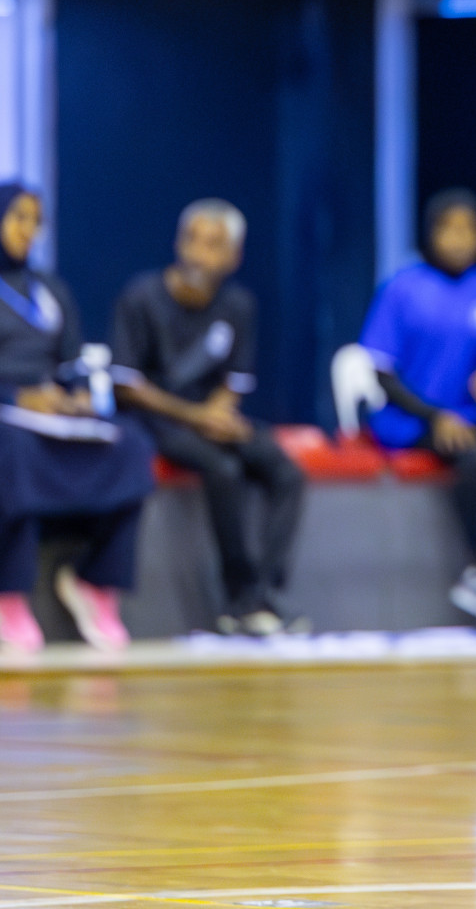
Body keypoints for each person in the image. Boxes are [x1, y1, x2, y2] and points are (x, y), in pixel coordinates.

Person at [113, 199, 308, 637]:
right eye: (192, 241)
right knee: (224, 469)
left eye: (213, 245)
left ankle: (262, 593)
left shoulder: (238, 305)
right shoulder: (141, 296)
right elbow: (126, 385)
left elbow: (235, 380)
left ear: (234, 257)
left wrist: (219, 412)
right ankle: (237, 598)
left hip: (210, 418)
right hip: (155, 418)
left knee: (284, 471)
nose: (199, 255)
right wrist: (197, 416)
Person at [360, 188, 476, 623]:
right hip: (410, 418)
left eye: (470, 229)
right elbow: (381, 372)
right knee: (475, 458)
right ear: (430, 233)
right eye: (449, 229)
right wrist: (434, 417)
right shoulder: (402, 288)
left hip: (467, 417)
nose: (460, 239)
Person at [0, 183, 155, 653]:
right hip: (8, 413)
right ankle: (9, 595)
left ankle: (96, 581)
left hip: (51, 412)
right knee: (12, 450)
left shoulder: (50, 289)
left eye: (35, 221)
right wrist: (16, 397)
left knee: (130, 441)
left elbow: (71, 362)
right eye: (18, 218)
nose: (28, 230)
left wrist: (80, 394)